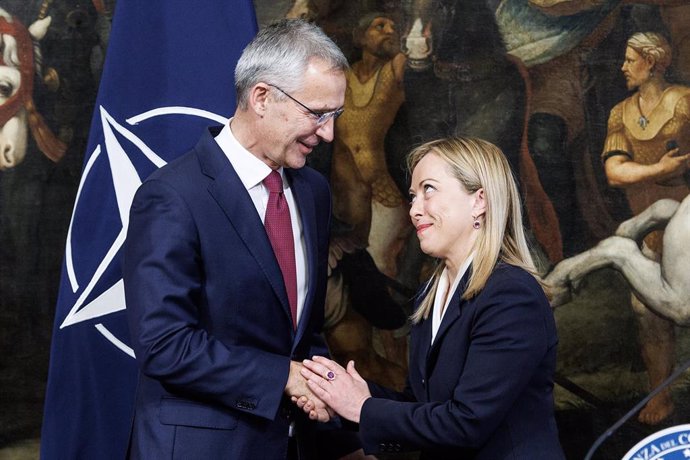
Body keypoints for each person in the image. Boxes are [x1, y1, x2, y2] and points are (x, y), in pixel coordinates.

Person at [122, 19, 358, 459]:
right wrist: (282, 378)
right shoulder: (173, 195)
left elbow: (301, 334)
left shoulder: (313, 193)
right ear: (262, 98)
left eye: (335, 116)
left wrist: (337, 429)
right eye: (317, 114)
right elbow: (164, 344)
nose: (328, 133)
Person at [300, 136, 565, 459]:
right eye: (413, 196)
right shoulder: (431, 293)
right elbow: (423, 407)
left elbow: (467, 422)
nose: (414, 210)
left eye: (429, 189)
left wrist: (363, 408)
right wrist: (346, 396)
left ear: (479, 201)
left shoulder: (511, 294)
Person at [601, 31, 690, 425]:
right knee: (646, 312)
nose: (622, 67)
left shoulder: (685, 102)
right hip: (648, 230)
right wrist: (659, 170)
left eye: (629, 59)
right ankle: (662, 396)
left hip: (686, 224)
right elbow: (614, 173)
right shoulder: (620, 112)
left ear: (652, 62)